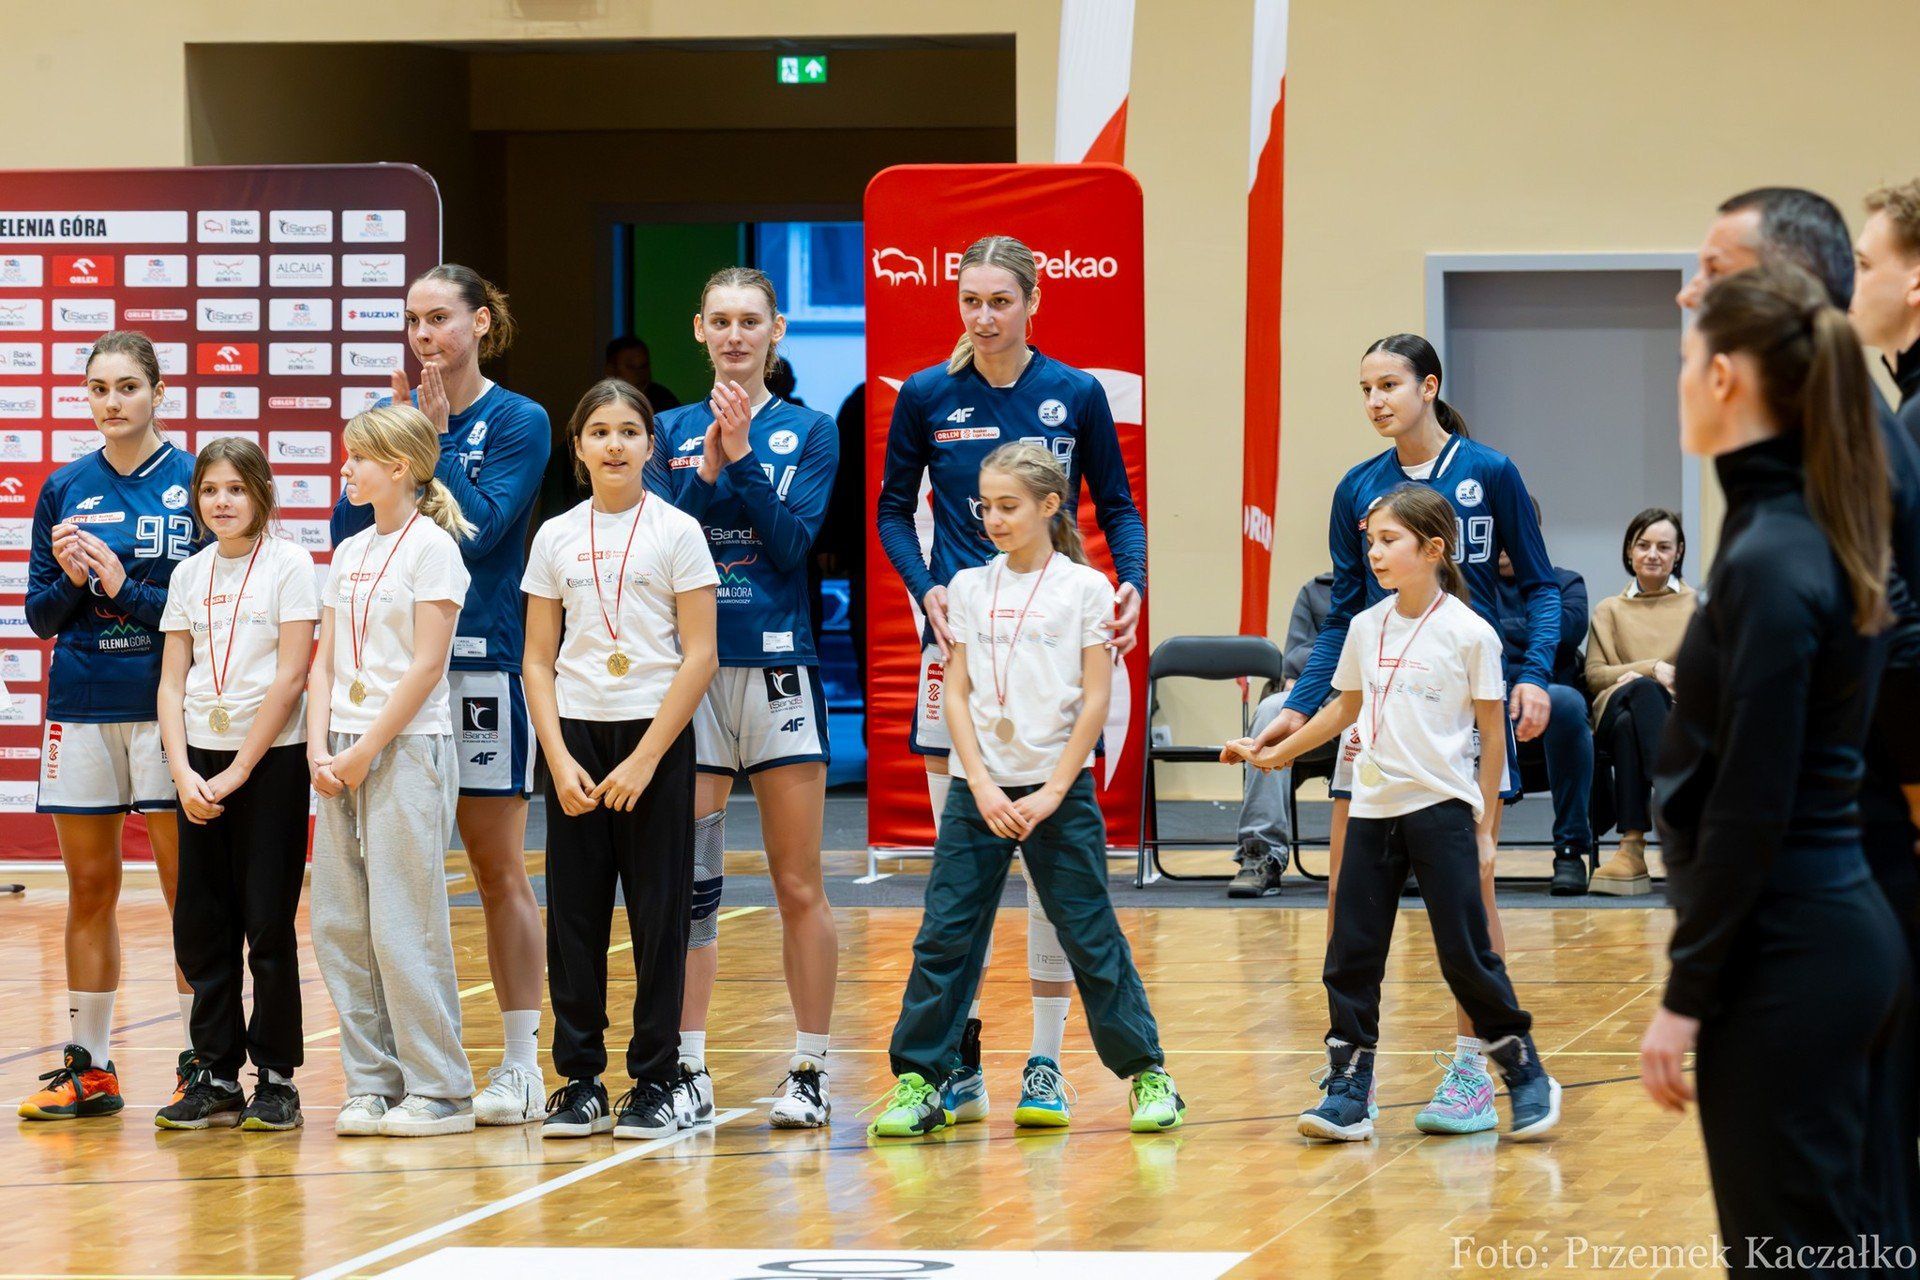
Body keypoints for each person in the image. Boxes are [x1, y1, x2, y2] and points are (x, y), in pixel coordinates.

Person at [1639, 262, 1910, 1273]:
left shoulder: (1772, 554)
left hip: (1793, 951)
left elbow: (1756, 801)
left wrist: (1686, 991)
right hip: (1818, 937)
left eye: (1684, 363)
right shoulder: (1796, 527)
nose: (1676, 382)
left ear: (1724, 379)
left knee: (1792, 1256)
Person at [1229, 333, 1559, 1137]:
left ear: (1428, 387)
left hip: (1452, 729)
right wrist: (1296, 714)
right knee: (1351, 910)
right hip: (1374, 731)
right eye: (1365, 388)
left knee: (1468, 917)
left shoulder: (1490, 473)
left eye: (1389, 385)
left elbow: (1541, 587)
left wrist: (1533, 672)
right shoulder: (1359, 488)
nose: (1376, 401)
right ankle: (1351, 1077)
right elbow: (1341, 616)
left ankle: (1478, 1069)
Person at [877, 234, 1146, 1125]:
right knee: (963, 878)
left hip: (1051, 654)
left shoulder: (1074, 392)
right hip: (962, 647)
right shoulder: (927, 394)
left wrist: (1134, 581)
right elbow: (891, 511)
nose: (984, 317)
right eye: (971, 301)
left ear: (1033, 303)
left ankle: (1045, 1061)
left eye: (1001, 301)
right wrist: (927, 590)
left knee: (1059, 885)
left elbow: (1118, 504)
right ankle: (955, 1063)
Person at [867, 443, 1184, 1137]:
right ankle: (922, 1080)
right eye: (985, 506)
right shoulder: (966, 587)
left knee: (1089, 933)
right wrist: (979, 782)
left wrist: (1052, 790)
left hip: (1057, 791)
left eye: (1009, 506)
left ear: (1049, 505)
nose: (994, 519)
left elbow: (1096, 699)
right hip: (977, 791)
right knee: (945, 936)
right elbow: (955, 694)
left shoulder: (1087, 589)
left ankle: (1148, 1074)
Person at [330, 264, 552, 1127]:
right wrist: (402, 445)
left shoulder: (519, 419)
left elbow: (483, 530)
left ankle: (521, 1065)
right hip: (390, 683)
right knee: (388, 886)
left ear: (481, 323)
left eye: (439, 319)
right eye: (413, 321)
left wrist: (430, 443)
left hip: (480, 665)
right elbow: (350, 532)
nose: (424, 336)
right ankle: (396, 1073)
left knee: (496, 867)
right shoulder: (393, 423)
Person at [644, 268, 840, 1129]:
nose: (734, 335)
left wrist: (744, 459)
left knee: (798, 881)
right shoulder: (667, 431)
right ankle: (689, 1066)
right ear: (699, 329)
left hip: (778, 672)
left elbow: (794, 546)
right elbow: (658, 544)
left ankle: (810, 1067)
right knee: (693, 883)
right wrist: (707, 468)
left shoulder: (812, 430)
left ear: (775, 330)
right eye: (720, 320)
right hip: (694, 673)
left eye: (749, 321)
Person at [527, 380, 719, 1141]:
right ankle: (578, 1080)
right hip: (575, 739)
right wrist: (556, 757)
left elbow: (700, 655)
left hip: (654, 740)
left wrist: (645, 759)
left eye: (629, 431)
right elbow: (537, 659)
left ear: (650, 445)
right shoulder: (555, 536)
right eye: (599, 431)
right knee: (573, 917)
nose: (614, 444)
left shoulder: (678, 530)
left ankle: (656, 1079)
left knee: (658, 915)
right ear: (578, 447)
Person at [18, 331, 201, 1122]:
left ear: (159, 392)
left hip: (170, 706)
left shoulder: (196, 480)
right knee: (89, 887)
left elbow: (204, 612)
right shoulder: (64, 487)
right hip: (84, 704)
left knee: (188, 891)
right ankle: (90, 1068)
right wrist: (70, 579)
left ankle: (205, 1065)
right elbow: (39, 617)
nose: (113, 402)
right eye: (99, 389)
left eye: (128, 387)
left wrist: (124, 587)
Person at [311, 404, 477, 1138]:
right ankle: (372, 1083)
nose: (346, 468)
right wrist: (320, 747)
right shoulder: (350, 550)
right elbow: (323, 663)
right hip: (341, 748)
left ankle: (441, 1089)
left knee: (404, 922)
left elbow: (426, 666)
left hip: (405, 745)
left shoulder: (433, 549)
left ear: (400, 466)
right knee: (341, 923)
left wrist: (364, 750)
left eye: (358, 457)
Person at [153, 439, 318, 1131]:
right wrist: (183, 770)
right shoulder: (189, 573)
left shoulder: (291, 564)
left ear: (262, 494)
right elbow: (171, 681)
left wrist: (241, 769)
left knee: (267, 924)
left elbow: (291, 676)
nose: (221, 502)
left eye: (236, 489)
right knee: (203, 923)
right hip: (199, 764)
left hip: (268, 761)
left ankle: (276, 1079)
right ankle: (216, 1073)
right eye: (209, 490)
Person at [1583, 509, 1694, 896]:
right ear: (1629, 551)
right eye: (1643, 545)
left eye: (1664, 547)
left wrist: (1649, 680)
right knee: (1641, 693)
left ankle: (1632, 848)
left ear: (1678, 553)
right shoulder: (1609, 610)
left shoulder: (1698, 606)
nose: (1653, 554)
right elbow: (1595, 676)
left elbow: (1710, 674)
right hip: (1612, 707)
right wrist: (1652, 669)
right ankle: (1678, 812)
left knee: (1635, 718)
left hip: (1676, 714)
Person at [1493, 501, 1593, 894]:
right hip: (1484, 702)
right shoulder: (1469, 585)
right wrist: (1531, 629)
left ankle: (1570, 850)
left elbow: (1564, 634)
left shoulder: (1566, 583)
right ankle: (1433, 855)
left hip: (1546, 707)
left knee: (1566, 703)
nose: (1504, 541)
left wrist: (1502, 631)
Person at [1228, 570, 1333, 897]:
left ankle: (1404, 855)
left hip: (1381, 700)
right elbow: (1295, 660)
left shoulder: (1407, 581)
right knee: (1271, 709)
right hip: (1318, 701)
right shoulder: (1318, 590)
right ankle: (1261, 852)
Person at [605, 335, 681, 413]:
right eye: (631, 367)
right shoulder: (601, 403)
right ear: (611, 370)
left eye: (644, 366)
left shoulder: (665, 400)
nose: (639, 373)